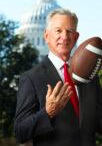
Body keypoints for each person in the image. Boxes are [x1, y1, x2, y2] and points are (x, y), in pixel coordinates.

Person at [14, 8, 102, 146]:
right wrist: (48, 112)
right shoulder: (31, 78)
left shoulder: (89, 74)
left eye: (70, 31)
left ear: (76, 37)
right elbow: (20, 132)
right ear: (47, 36)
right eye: (58, 31)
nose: (65, 37)